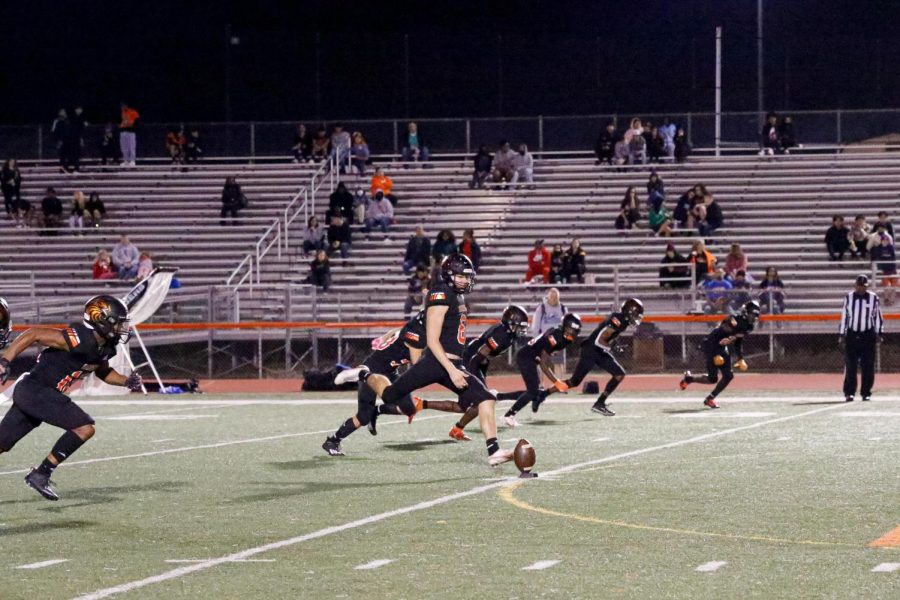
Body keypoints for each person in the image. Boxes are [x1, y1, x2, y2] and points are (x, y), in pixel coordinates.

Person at [358, 254, 517, 466]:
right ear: (449, 275)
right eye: (461, 276)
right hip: (436, 363)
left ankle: (494, 451)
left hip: (453, 363)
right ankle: (363, 374)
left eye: (467, 277)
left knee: (486, 398)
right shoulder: (440, 293)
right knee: (389, 395)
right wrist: (451, 370)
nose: (465, 280)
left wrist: (454, 367)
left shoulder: (457, 296)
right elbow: (432, 340)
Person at [0, 295, 142, 500]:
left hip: (38, 394)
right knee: (84, 428)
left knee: (2, 444)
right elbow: (34, 334)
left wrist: (126, 381)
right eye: (118, 322)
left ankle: (40, 474)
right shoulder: (80, 337)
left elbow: (103, 372)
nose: (122, 328)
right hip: (36, 390)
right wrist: (5, 362)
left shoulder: (106, 347)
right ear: (101, 319)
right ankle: (41, 473)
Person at [322, 313, 427, 456]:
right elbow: (417, 364)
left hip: (389, 371)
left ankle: (376, 411)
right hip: (372, 371)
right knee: (363, 416)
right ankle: (333, 441)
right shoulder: (417, 335)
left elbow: (395, 330)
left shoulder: (414, 328)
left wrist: (383, 339)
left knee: (409, 408)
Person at [534, 299, 644, 417]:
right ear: (629, 313)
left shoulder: (622, 320)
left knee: (619, 374)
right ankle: (543, 394)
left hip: (597, 350)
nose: (637, 318)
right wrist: (612, 348)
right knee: (574, 382)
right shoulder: (619, 321)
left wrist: (614, 345)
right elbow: (599, 340)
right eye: (636, 315)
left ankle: (600, 403)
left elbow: (608, 336)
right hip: (591, 350)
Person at [440, 306, 531, 441]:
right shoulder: (502, 334)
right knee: (482, 400)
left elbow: (484, 357)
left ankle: (454, 427)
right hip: (470, 362)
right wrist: (472, 376)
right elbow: (479, 355)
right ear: (510, 323)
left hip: (477, 362)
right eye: (519, 326)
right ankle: (466, 431)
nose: (521, 330)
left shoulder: (507, 334)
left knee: (466, 405)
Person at [501, 313, 583, 427]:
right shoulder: (556, 336)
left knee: (534, 392)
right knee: (532, 391)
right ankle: (509, 415)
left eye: (574, 331)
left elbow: (545, 356)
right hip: (526, 357)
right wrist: (556, 381)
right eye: (570, 329)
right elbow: (543, 362)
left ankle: (499, 397)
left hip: (532, 357)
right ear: (564, 326)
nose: (572, 333)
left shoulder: (562, 336)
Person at [679, 300, 760, 409]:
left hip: (722, 347)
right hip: (711, 344)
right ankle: (690, 379)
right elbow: (720, 333)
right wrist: (716, 354)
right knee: (713, 378)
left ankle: (709, 397)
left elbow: (737, 341)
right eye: (752, 314)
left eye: (756, 315)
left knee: (728, 376)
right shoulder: (733, 319)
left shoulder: (748, 327)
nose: (754, 318)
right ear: (746, 312)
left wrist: (740, 358)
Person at [839, 275, 883, 402]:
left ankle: (866, 392)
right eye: (860, 286)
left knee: (868, 365)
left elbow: (877, 316)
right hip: (852, 334)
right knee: (851, 365)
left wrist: (879, 333)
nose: (862, 289)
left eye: (864, 287)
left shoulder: (873, 298)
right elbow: (844, 316)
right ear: (855, 286)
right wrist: (842, 334)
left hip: (867, 335)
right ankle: (849, 392)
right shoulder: (849, 297)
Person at [871, 233, 897, 306]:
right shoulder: (878, 248)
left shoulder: (890, 247)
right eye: (884, 240)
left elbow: (893, 259)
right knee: (887, 286)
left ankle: (891, 300)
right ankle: (886, 299)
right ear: (881, 241)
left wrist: (893, 268)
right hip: (884, 270)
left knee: (894, 286)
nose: (885, 241)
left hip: (892, 269)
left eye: (886, 240)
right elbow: (877, 259)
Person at [119, 102, 140, 167]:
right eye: (121, 106)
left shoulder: (133, 112)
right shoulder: (122, 113)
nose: (122, 108)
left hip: (131, 132)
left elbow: (133, 123)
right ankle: (126, 161)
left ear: (126, 106)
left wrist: (127, 123)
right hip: (123, 132)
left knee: (131, 147)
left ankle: (132, 161)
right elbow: (121, 123)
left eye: (123, 106)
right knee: (124, 147)